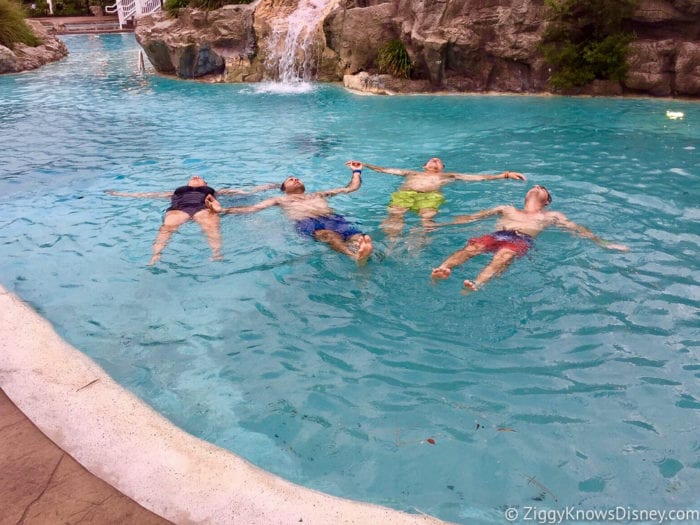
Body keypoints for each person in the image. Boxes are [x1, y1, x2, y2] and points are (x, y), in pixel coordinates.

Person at [430, 185, 629, 292]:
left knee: (504, 256)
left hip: (520, 239)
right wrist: (440, 225)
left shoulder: (551, 216)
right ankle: (443, 268)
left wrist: (603, 243)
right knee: (471, 248)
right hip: (497, 234)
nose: (536, 186)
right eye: (534, 186)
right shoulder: (506, 208)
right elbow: (471, 218)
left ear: (547, 201)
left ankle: (477, 284)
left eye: (542, 188)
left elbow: (577, 229)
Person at [222, 161, 372, 263]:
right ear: (284, 189)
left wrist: (357, 171)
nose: (296, 180)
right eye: (290, 180)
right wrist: (222, 210)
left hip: (333, 219)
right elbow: (252, 209)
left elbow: (350, 188)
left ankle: (360, 252)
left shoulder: (319, 194)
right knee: (329, 236)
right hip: (308, 223)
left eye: (297, 178)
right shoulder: (280, 200)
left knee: (359, 238)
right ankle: (354, 256)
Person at [107, 176, 277, 265]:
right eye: (192, 177)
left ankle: (216, 253)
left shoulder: (214, 192)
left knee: (211, 227)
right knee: (166, 227)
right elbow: (147, 195)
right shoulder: (177, 193)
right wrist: (120, 194)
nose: (195, 177)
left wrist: (267, 187)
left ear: (205, 183)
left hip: (204, 208)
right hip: (179, 209)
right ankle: (156, 255)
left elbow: (244, 192)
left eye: (199, 178)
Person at [362, 157, 526, 239]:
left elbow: (477, 177)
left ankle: (418, 244)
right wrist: (365, 165)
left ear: (442, 168)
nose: (435, 161)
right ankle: (392, 243)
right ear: (424, 166)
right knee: (395, 215)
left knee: (427, 220)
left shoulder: (448, 176)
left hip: (431, 197)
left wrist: (504, 175)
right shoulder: (412, 172)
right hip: (405, 194)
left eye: (439, 161)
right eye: (431, 160)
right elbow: (385, 170)